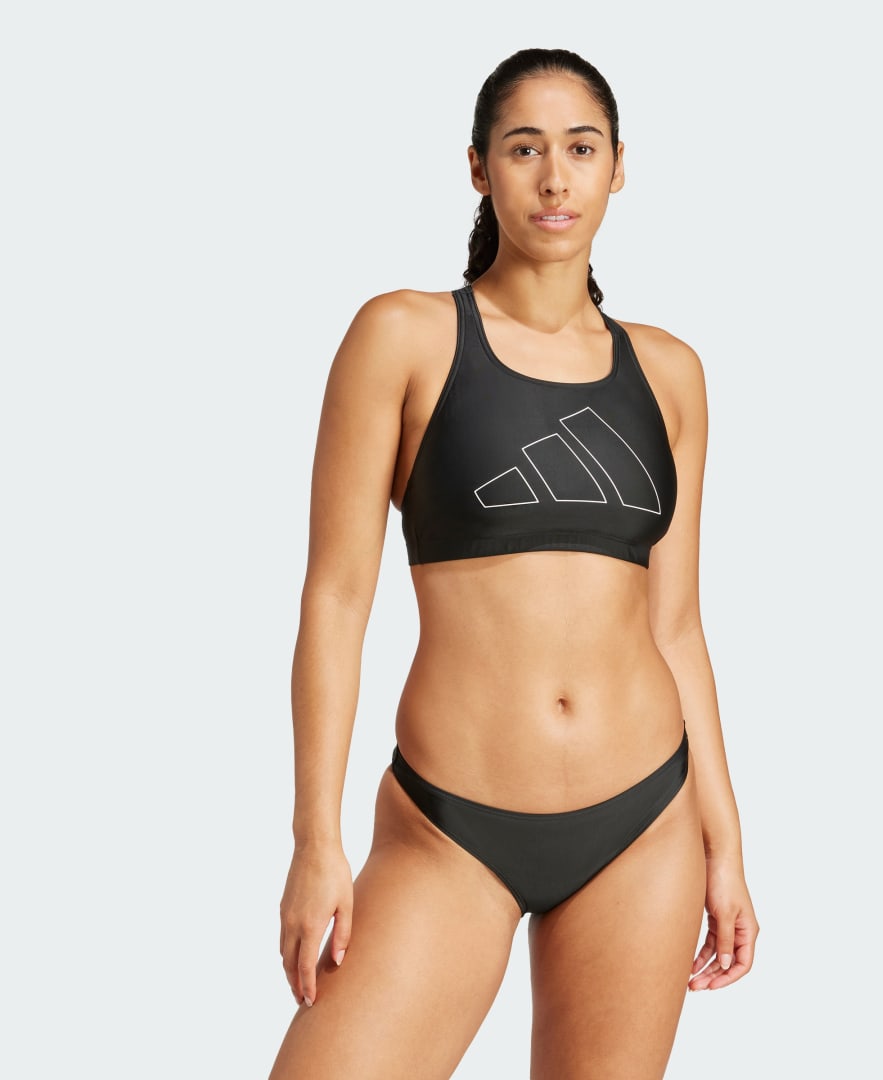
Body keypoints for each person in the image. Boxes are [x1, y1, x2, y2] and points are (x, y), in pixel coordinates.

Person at [268, 47, 759, 1080]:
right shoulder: (404, 336)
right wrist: (316, 839)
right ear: (479, 168)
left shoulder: (670, 373)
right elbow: (337, 598)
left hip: (644, 824)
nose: (554, 178)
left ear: (617, 167)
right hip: (451, 826)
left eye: (580, 149)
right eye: (525, 149)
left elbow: (676, 626)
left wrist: (726, 841)